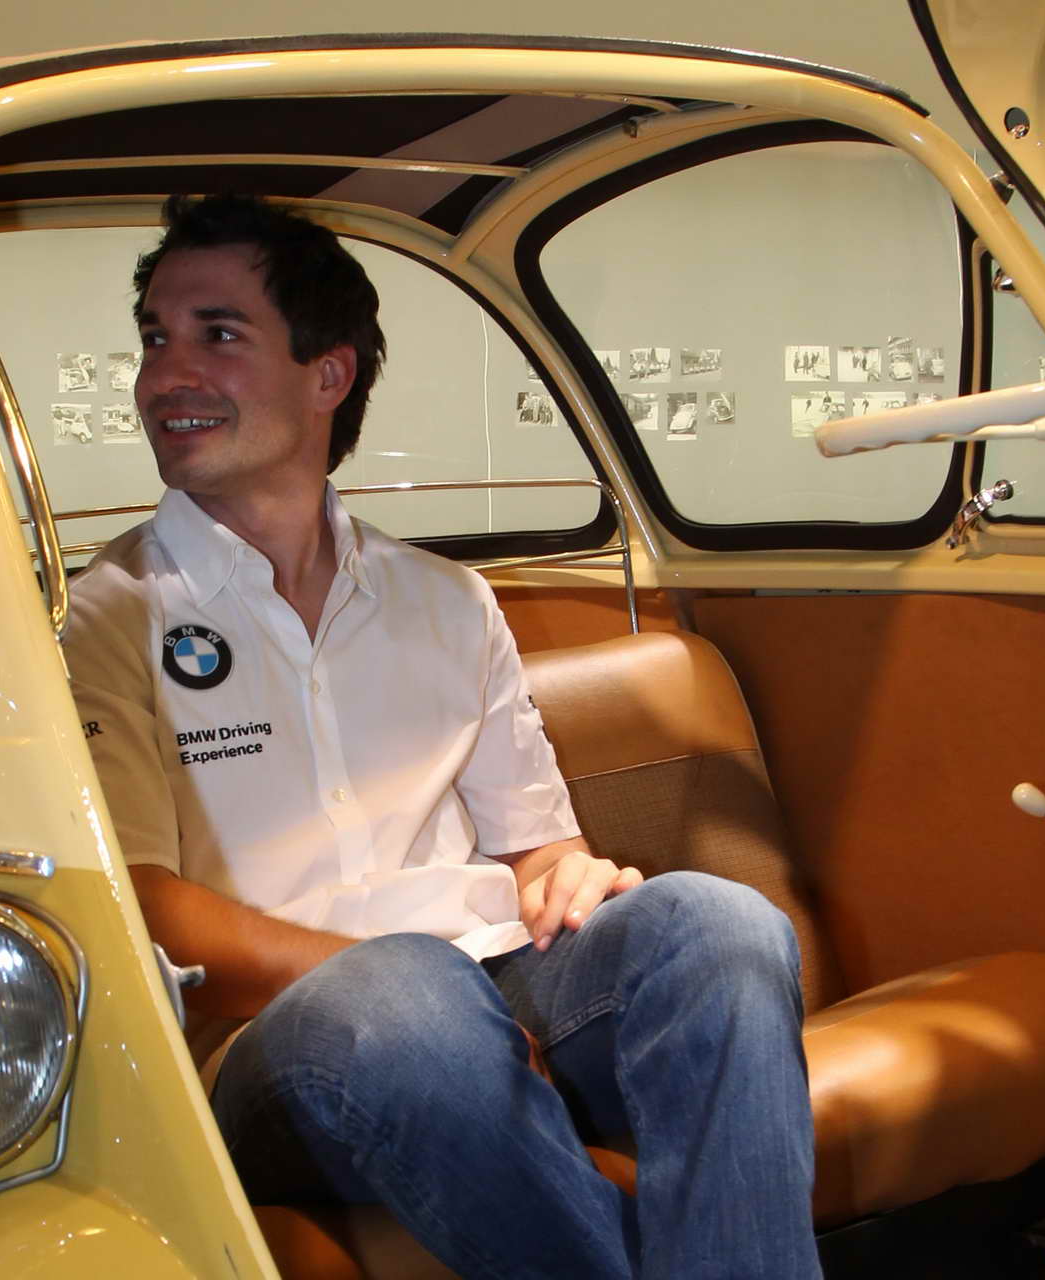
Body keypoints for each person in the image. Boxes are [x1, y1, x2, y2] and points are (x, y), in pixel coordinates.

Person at [64, 193, 819, 1279]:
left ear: (328, 374)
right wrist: (425, 991)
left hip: (489, 979)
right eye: (154, 338)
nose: (163, 376)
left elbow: (537, 850)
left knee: (720, 924)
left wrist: (571, 877)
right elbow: (139, 901)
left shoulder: (447, 599)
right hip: (273, 1042)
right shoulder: (111, 613)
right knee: (404, 998)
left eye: (215, 335)